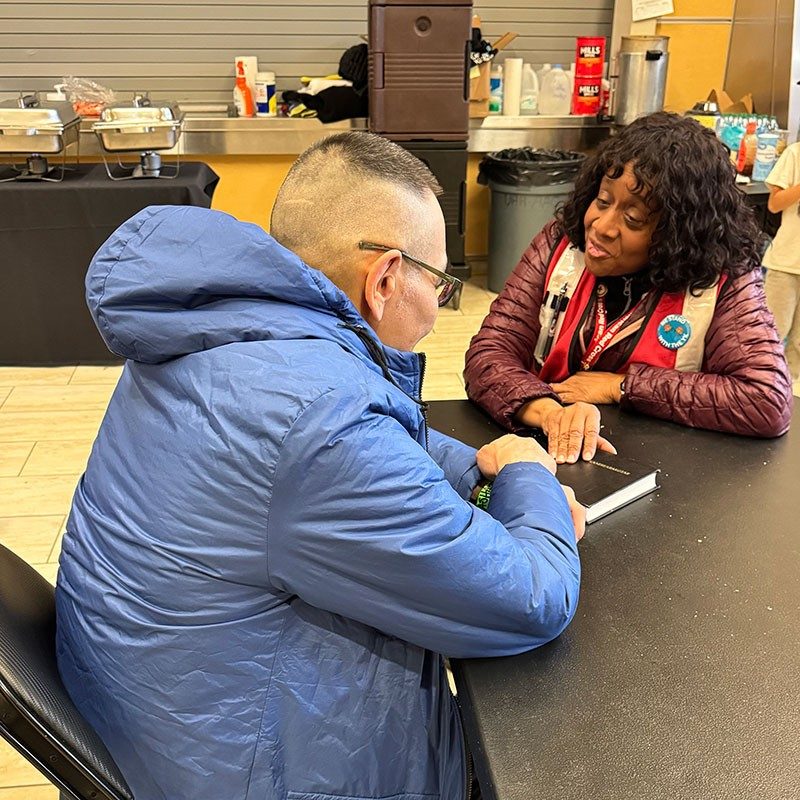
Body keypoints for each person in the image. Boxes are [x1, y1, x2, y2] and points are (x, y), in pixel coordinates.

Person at [55, 132, 583, 800]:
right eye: (441, 283)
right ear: (387, 278)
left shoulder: (226, 335)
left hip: (174, 721)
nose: (442, 306)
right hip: (245, 767)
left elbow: (373, 444)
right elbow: (531, 599)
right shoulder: (318, 423)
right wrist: (529, 472)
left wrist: (482, 469)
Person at [465, 112, 793, 464]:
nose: (602, 226)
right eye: (603, 201)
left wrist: (621, 386)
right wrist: (550, 413)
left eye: (633, 219)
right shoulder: (560, 244)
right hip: (543, 453)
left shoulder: (724, 278)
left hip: (664, 469)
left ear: (678, 235)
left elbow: (765, 399)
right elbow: (489, 353)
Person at [763, 137, 800, 382]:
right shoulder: (795, 154)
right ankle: (762, 388)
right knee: (769, 336)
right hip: (786, 263)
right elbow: (774, 204)